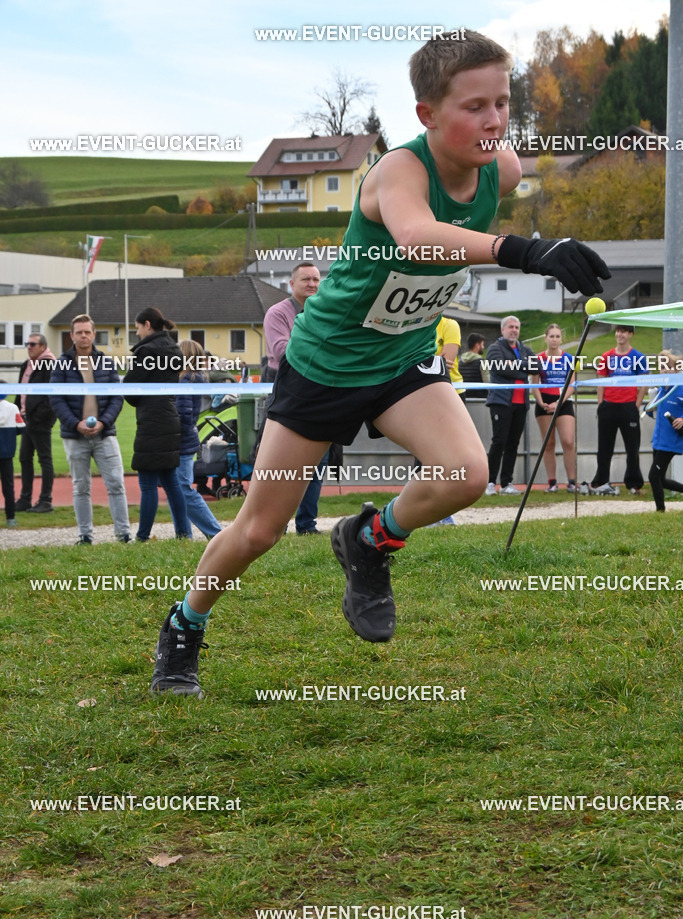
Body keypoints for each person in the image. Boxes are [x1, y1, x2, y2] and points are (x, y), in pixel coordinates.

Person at [149, 29, 609, 697]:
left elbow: (471, 207)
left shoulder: (500, 169)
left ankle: (369, 538)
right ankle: (184, 626)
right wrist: (523, 251)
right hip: (326, 367)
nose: (493, 121)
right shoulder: (397, 170)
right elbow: (417, 238)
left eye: (503, 104)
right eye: (473, 106)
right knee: (259, 529)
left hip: (401, 361)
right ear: (426, 114)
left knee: (465, 474)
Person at [49, 315, 131, 545]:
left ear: (94, 334)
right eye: (79, 332)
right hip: (75, 436)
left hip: (105, 434)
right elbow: (56, 399)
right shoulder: (61, 364)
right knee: (80, 487)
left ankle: (123, 534)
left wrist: (104, 422)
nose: (83, 336)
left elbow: (117, 396)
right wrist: (76, 424)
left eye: (87, 332)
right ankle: (85, 536)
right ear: (72, 335)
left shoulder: (106, 362)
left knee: (116, 483)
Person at [262, 261, 329, 535]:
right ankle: (275, 524)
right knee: (282, 464)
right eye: (306, 279)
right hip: (289, 393)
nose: (312, 284)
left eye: (316, 279)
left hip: (322, 392)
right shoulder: (277, 313)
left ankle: (307, 525)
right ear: (291, 284)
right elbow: (283, 353)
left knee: (318, 463)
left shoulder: (327, 311)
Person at [124, 306, 191, 542]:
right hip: (170, 416)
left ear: (147, 325)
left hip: (151, 420)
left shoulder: (146, 351)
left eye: (138, 328)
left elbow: (130, 390)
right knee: (171, 481)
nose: (138, 333)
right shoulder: (174, 349)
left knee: (148, 483)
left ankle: (142, 537)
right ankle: (183, 533)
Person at [590, 325, 647, 496]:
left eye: (623, 331)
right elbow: (600, 381)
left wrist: (636, 405)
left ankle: (634, 483)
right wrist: (600, 404)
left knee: (632, 448)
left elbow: (643, 383)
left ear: (630, 334)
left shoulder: (638, 357)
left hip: (629, 406)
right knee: (604, 448)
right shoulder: (607, 356)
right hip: (608, 406)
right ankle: (601, 481)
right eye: (617, 331)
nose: (619, 334)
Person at [175, 340, 223, 539]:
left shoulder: (185, 381)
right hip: (187, 438)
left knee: (183, 488)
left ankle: (215, 533)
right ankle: (184, 533)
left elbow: (184, 414)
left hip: (182, 440)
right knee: (178, 488)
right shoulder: (194, 379)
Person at [485, 316, 535, 495]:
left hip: (521, 404)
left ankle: (506, 483)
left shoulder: (525, 349)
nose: (514, 330)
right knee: (499, 441)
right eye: (511, 327)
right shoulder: (494, 348)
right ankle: (490, 482)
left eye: (517, 327)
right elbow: (500, 368)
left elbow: (536, 367)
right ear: (503, 330)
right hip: (501, 402)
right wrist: (523, 368)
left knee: (513, 443)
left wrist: (515, 364)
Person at [531, 323, 577, 492]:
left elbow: (573, 384)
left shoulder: (569, 358)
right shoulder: (538, 359)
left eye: (558, 336)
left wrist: (559, 402)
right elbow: (533, 384)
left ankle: (572, 481)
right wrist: (540, 401)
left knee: (568, 441)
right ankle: (552, 482)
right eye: (552, 336)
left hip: (563, 401)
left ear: (561, 339)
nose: (555, 339)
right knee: (548, 443)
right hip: (544, 402)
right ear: (546, 338)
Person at [15, 333, 57, 513]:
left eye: (33, 344)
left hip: (39, 421)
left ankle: (45, 500)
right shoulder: (27, 364)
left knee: (44, 459)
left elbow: (53, 395)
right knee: (25, 458)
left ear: (42, 346)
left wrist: (40, 417)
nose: (29, 347)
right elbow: (20, 391)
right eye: (27, 344)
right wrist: (17, 413)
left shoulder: (49, 364)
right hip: (26, 419)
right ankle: (25, 498)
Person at [647, 351, 683, 512]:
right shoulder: (660, 389)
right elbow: (651, 410)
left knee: (653, 476)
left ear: (676, 370)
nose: (665, 370)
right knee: (660, 478)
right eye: (662, 367)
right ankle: (660, 509)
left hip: (671, 441)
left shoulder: (680, 388)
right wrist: (649, 407)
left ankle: (660, 511)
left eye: (669, 367)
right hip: (658, 440)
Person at [0, 382, 24, 527]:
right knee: (8, 485)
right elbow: (21, 427)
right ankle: (11, 518)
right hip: (7, 451)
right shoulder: (13, 408)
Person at [459, 333, 489, 400]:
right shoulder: (483, 362)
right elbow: (488, 384)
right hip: (480, 401)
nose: (483, 347)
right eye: (482, 345)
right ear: (477, 345)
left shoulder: (460, 361)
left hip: (463, 399)